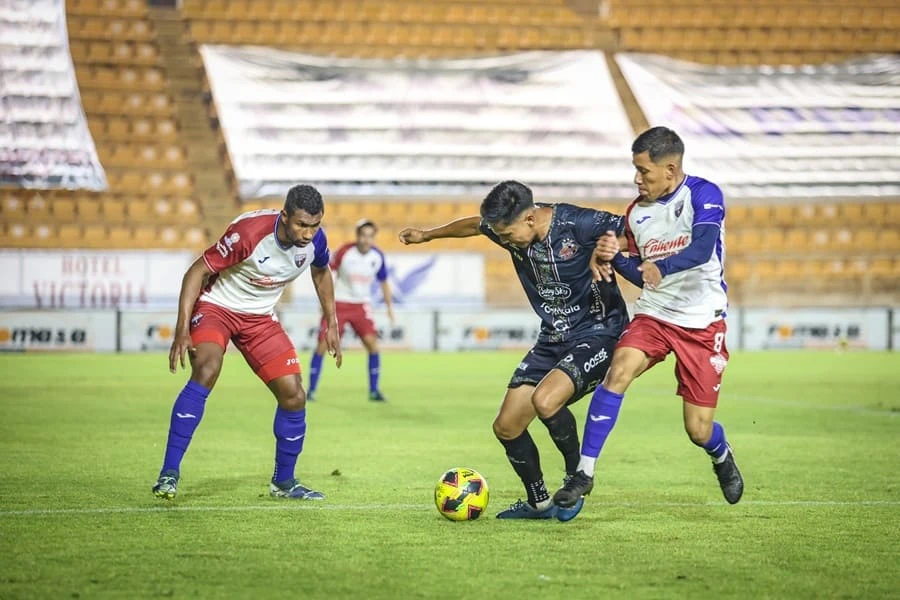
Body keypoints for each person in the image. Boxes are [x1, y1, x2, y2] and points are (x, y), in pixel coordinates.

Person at [398, 181, 628, 521]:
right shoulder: (506, 228)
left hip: (599, 332)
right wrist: (428, 235)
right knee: (506, 426)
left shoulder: (577, 223)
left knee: (546, 401)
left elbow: (633, 228)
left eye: (507, 235)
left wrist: (610, 246)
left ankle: (576, 477)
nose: (504, 241)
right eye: (500, 235)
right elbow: (474, 225)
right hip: (552, 337)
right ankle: (539, 504)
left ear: (531, 220)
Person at [553, 126, 744, 509]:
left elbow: (704, 249)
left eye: (645, 172)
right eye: (635, 171)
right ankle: (584, 473)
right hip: (654, 315)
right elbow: (639, 272)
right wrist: (614, 256)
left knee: (698, 429)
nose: (637, 180)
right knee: (618, 371)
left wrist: (664, 266)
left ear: (670, 170)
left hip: (702, 323)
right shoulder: (636, 213)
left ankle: (721, 455)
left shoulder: (704, 195)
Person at [152, 184, 342, 501]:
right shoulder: (249, 234)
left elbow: (321, 272)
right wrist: (182, 328)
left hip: (259, 318)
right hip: (217, 308)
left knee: (294, 395)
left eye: (314, 226)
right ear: (284, 217)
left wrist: (332, 322)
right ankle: (169, 474)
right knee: (207, 369)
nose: (308, 234)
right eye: (301, 225)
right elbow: (197, 271)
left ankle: (284, 483)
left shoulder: (314, 242)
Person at [307, 219, 394, 402]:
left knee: (373, 346)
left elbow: (384, 282)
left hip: (361, 306)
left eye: (370, 236)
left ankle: (374, 390)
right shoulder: (345, 252)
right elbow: (328, 274)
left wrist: (389, 307)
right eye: (363, 236)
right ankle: (311, 390)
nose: (366, 240)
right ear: (358, 236)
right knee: (322, 346)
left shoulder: (377, 256)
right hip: (339, 303)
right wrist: (324, 302)